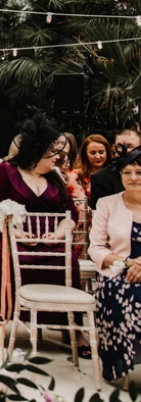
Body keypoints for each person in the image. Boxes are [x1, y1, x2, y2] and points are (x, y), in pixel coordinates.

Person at [0, 116, 83, 332]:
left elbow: (70, 214)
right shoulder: (5, 171)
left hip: (47, 240)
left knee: (67, 258)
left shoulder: (55, 178)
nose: (59, 157)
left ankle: (69, 327)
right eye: (53, 152)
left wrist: (58, 235)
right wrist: (14, 233)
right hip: (2, 233)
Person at [88, 148, 141, 382]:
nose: (133, 178)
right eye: (127, 172)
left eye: (139, 172)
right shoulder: (107, 204)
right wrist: (128, 264)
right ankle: (120, 365)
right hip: (117, 271)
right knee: (122, 295)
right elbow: (96, 248)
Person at [90, 130, 141, 210]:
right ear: (114, 147)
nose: (124, 150)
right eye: (119, 146)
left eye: (129, 146)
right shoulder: (100, 178)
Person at [71, 134, 112, 202]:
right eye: (93, 153)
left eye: (101, 152)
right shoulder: (75, 176)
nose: (98, 156)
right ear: (86, 154)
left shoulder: (115, 174)